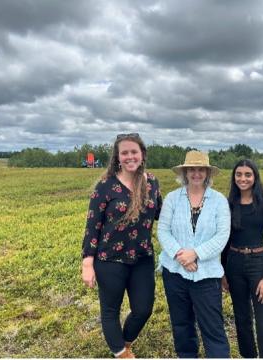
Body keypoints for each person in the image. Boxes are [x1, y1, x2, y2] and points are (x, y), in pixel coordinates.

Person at [81, 133, 162, 358]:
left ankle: (125, 341)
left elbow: (162, 214)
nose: (129, 156)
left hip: (142, 257)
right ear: (117, 157)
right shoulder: (105, 186)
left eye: (133, 151)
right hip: (109, 260)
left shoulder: (152, 183)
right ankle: (121, 352)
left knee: (143, 309)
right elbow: (92, 226)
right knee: (110, 311)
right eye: (124, 152)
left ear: (142, 154)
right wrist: (88, 263)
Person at [157, 150, 231, 358]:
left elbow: (222, 235)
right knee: (181, 324)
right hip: (175, 273)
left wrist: (195, 254)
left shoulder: (219, 201)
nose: (196, 173)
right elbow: (163, 230)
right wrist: (181, 255)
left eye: (201, 170)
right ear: (185, 172)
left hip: (207, 275)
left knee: (212, 327)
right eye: (192, 169)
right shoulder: (172, 198)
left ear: (207, 173)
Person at [221, 159, 263, 358]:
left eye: (248, 174)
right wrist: (223, 272)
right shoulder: (228, 204)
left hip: (258, 263)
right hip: (234, 264)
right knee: (241, 317)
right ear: (234, 177)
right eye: (238, 174)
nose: (243, 179)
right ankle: (248, 356)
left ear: (255, 177)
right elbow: (224, 241)